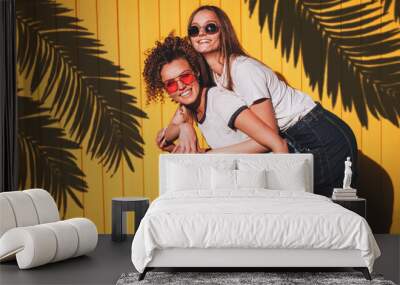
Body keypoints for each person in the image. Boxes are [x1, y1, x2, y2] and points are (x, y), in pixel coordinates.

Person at [157, 5, 358, 197]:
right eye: (194, 30)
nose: (202, 33)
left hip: (319, 135)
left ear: (223, 31)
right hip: (296, 137)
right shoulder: (208, 77)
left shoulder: (243, 70)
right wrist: (184, 127)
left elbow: (268, 139)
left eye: (210, 27)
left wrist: (208, 154)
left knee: (323, 211)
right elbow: (171, 128)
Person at [143, 35, 288, 155]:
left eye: (185, 76)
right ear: (166, 90)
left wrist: (209, 155)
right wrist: (184, 128)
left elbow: (273, 142)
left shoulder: (219, 101)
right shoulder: (189, 108)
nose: (181, 86)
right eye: (171, 84)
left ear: (196, 72)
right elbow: (164, 138)